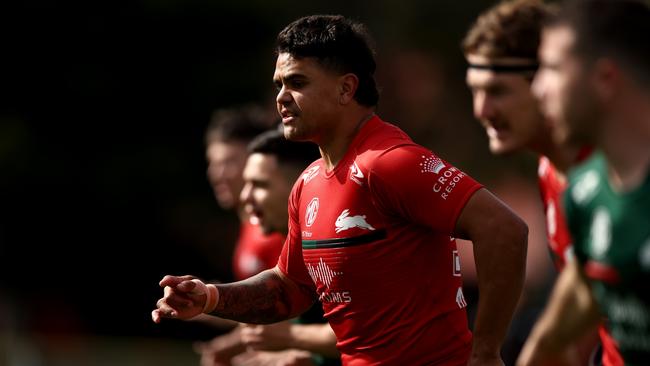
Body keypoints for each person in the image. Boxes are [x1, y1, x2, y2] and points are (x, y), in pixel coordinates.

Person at [153, 14, 528, 365]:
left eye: (297, 83)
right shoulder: (308, 182)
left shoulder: (389, 161)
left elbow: (504, 229)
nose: (282, 97)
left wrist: (485, 353)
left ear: (346, 88)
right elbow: (288, 290)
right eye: (279, 85)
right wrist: (209, 297)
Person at [462, 1, 620, 364]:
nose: (481, 110)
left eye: (498, 90)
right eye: (474, 90)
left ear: (548, 81)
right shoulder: (550, 171)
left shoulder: (615, 172)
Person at [517, 0, 650, 365]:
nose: (539, 89)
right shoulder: (584, 192)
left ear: (605, 79)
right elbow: (553, 339)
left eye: (552, 69)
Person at [197, 105, 286, 364]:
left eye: (229, 162)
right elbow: (267, 308)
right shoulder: (249, 225)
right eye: (213, 163)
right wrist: (212, 301)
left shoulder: (278, 228)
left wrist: (228, 346)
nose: (217, 174)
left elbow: (295, 311)